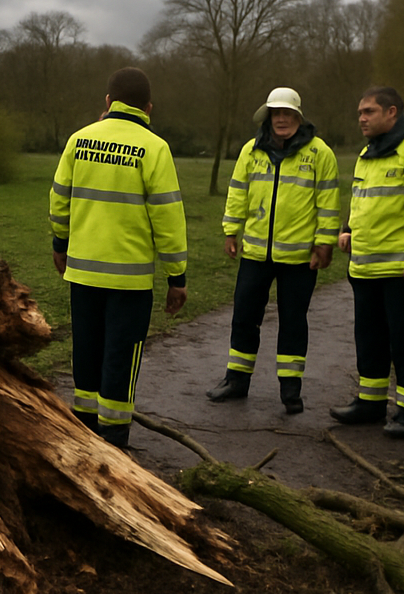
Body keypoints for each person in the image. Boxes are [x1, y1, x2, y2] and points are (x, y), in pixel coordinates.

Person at [49, 67, 188, 448]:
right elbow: (168, 218)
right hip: (130, 278)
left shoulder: (79, 140)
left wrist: (60, 243)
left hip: (83, 271)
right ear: (148, 108)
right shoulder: (154, 148)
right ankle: (113, 437)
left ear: (108, 101)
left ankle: (82, 428)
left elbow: (59, 199)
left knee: (86, 348)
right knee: (121, 356)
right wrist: (176, 277)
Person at [207, 86, 339, 413]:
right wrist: (231, 231)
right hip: (255, 253)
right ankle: (236, 380)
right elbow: (237, 192)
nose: (282, 119)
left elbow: (328, 202)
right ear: (268, 117)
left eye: (288, 114)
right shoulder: (251, 151)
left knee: (293, 321)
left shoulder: (320, 153)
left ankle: (290, 389)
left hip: (299, 257)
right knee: (244, 317)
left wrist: (324, 242)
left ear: (298, 117)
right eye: (276, 114)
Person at [330, 87, 404, 438]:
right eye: (359, 113)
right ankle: (370, 403)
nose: (361, 119)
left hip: (403, 270)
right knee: (369, 338)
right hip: (365, 267)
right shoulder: (368, 153)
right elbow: (361, 200)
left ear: (391, 112)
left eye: (368, 111)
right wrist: (347, 229)